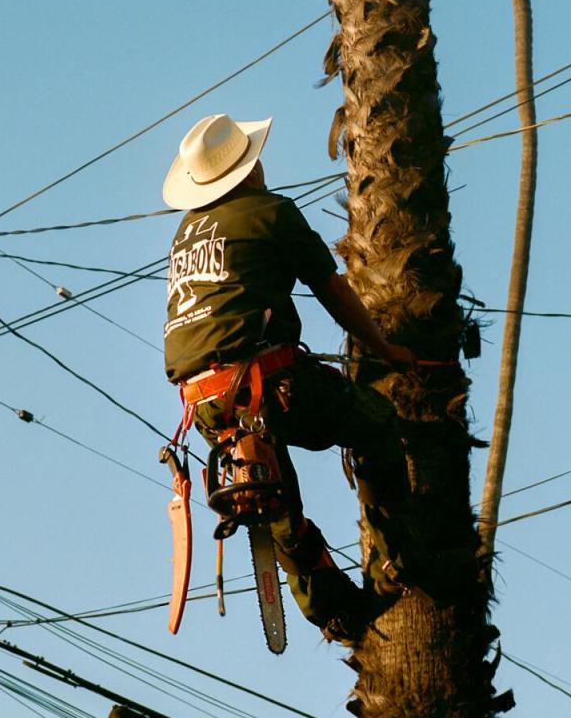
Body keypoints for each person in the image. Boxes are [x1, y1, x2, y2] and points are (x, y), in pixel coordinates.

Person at [163, 113, 422, 644]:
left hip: (207, 407)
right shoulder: (271, 213)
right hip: (267, 386)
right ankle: (395, 562)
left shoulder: (185, 233)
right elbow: (335, 292)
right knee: (373, 423)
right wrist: (385, 350)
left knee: (274, 500)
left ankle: (335, 612)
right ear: (250, 166)